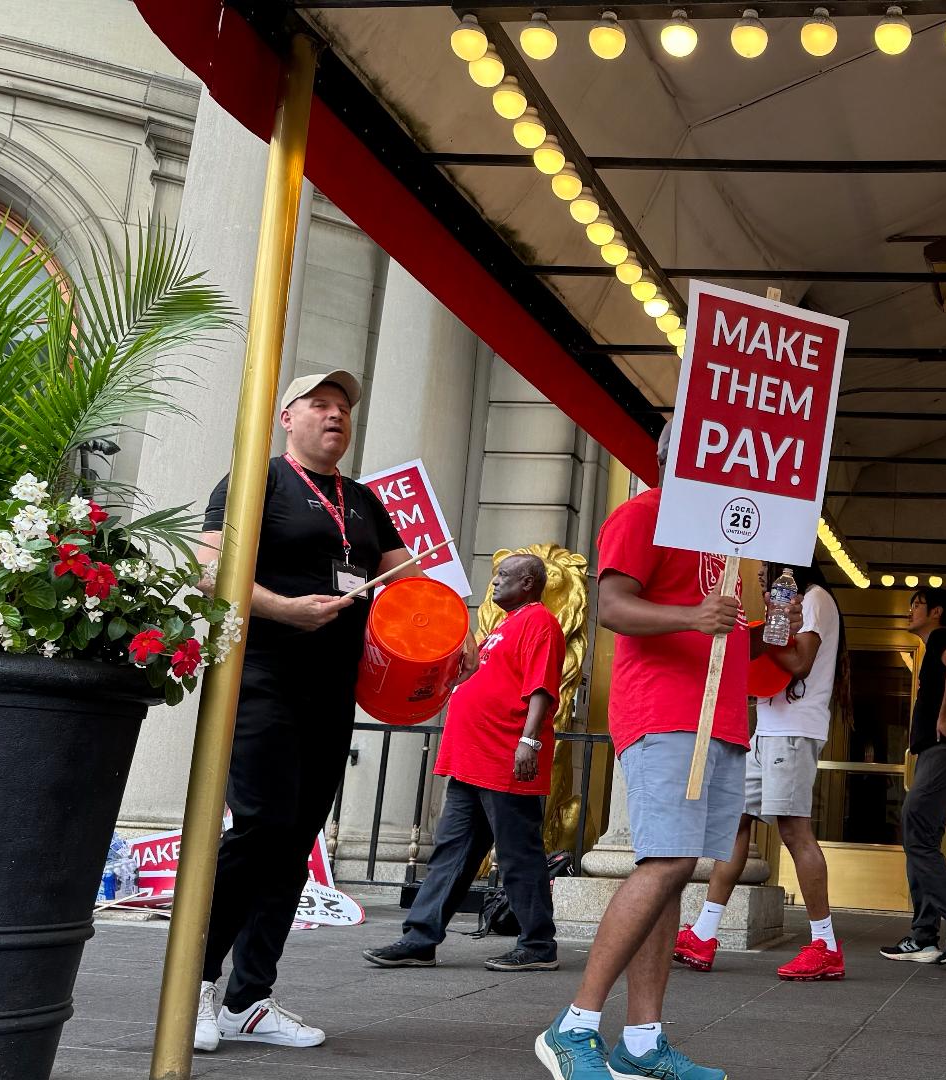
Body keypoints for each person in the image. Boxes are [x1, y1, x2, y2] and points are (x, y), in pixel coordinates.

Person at [190, 370, 463, 1051]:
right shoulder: (258, 481)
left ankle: (248, 1000)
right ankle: (192, 985)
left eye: (343, 407)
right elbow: (208, 569)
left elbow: (413, 586)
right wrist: (283, 609)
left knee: (292, 842)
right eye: (320, 404)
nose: (335, 415)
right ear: (288, 418)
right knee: (259, 826)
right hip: (260, 678)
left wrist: (459, 629)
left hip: (332, 689)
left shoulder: (365, 501)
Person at [534, 426, 796, 1080]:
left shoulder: (732, 537)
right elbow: (613, 607)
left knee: (674, 870)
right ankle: (574, 1026)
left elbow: (748, 638)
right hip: (664, 711)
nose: (731, 460)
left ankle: (643, 1040)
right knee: (666, 862)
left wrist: (780, 616)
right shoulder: (641, 513)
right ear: (674, 456)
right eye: (718, 449)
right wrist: (691, 617)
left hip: (723, 721)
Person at [362, 551, 565, 973]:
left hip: (503, 755)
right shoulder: (503, 626)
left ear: (528, 583)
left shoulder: (539, 622)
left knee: (518, 854)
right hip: (470, 757)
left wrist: (528, 739)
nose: (494, 582)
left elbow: (541, 686)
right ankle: (420, 939)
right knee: (451, 852)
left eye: (504, 576)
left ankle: (539, 944)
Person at [675, 561, 846, 981]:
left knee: (793, 830)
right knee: (736, 823)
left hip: (793, 731)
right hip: (768, 729)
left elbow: (800, 662)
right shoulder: (790, 601)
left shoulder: (816, 599)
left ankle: (825, 944)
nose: (758, 577)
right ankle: (704, 932)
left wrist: (773, 630)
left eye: (762, 568)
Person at [881, 585, 946, 965]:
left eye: (918, 604)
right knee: (919, 839)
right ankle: (924, 936)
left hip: (944, 754)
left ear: (937, 612)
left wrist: (944, 716)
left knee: (917, 833)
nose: (911, 610)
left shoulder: (943, 637)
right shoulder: (931, 648)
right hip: (934, 755)